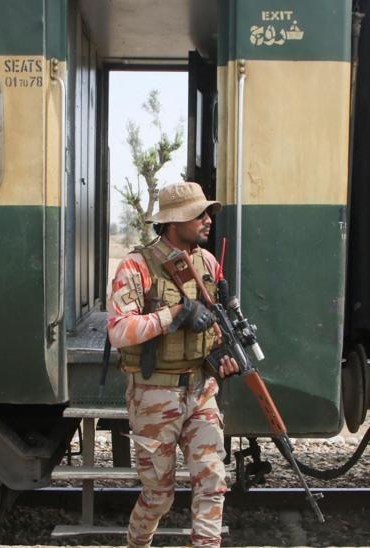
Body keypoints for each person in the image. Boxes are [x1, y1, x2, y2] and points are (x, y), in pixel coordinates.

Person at [107, 181, 241, 548]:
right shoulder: (137, 265)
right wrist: (175, 313)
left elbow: (213, 327)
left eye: (208, 212)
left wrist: (221, 359)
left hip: (201, 391)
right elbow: (119, 331)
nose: (207, 220)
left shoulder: (208, 262)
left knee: (213, 482)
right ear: (173, 221)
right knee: (159, 496)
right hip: (155, 396)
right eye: (198, 214)